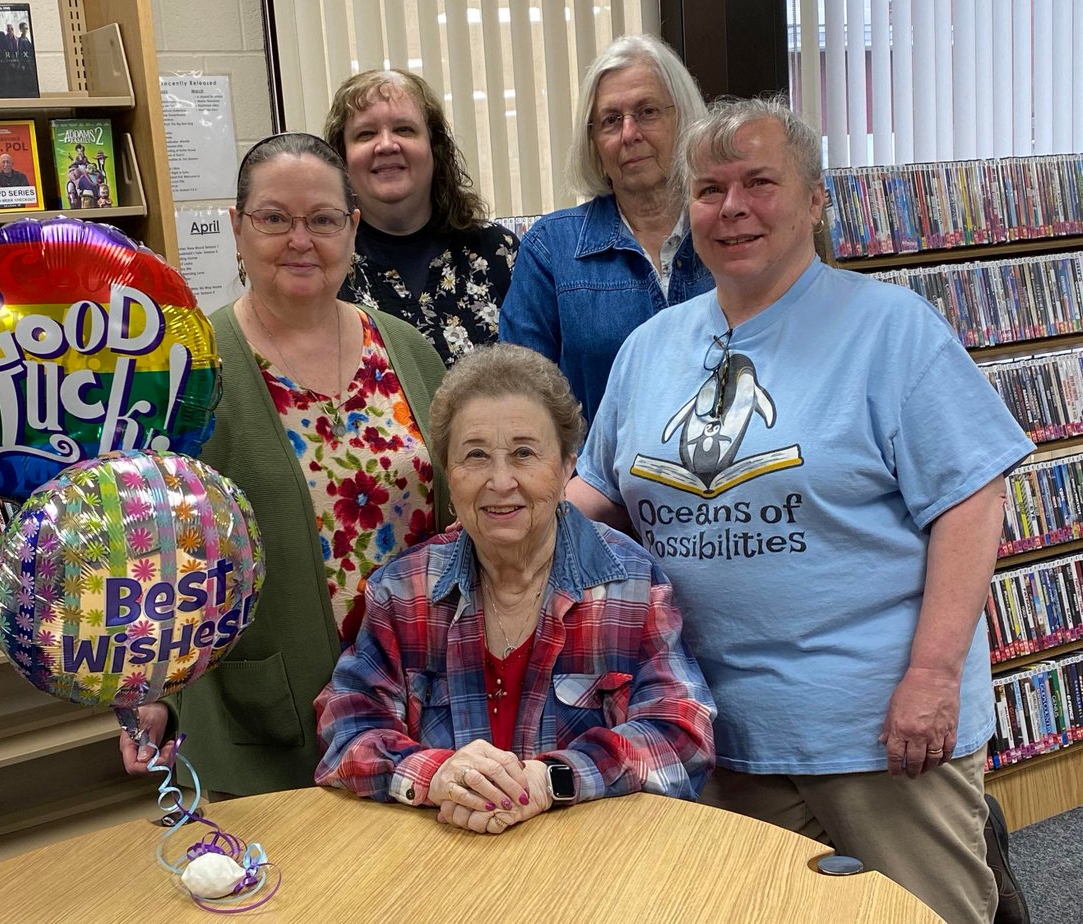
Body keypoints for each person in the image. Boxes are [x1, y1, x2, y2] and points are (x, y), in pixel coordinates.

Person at [566, 96, 1034, 924]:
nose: (733, 207)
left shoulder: (891, 330)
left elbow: (971, 499)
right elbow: (597, 495)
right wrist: (486, 539)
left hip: (877, 733)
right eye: (709, 189)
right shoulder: (652, 348)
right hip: (716, 726)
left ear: (815, 201)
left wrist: (930, 678)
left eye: (760, 182)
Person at [118, 132, 451, 798]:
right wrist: (148, 691)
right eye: (275, 218)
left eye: (323, 219)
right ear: (237, 228)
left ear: (352, 229)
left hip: (425, 704)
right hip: (274, 712)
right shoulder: (189, 370)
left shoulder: (409, 351)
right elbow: (149, 547)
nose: (301, 239)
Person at [315, 343, 715, 833]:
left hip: (590, 863)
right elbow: (347, 729)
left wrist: (550, 780)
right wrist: (436, 773)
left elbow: (682, 733)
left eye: (524, 453)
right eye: (475, 456)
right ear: (447, 468)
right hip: (442, 860)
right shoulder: (403, 590)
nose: (500, 481)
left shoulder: (629, 582)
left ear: (568, 463)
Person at [500, 34, 714, 424]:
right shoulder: (552, 249)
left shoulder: (731, 233)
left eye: (647, 112)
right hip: (598, 483)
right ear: (594, 142)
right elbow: (521, 403)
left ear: (683, 118)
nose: (630, 134)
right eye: (611, 120)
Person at [324, 69, 518, 366]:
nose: (387, 145)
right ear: (342, 158)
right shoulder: (323, 266)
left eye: (404, 129)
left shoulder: (498, 252)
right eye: (366, 134)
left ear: (434, 148)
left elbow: (538, 380)